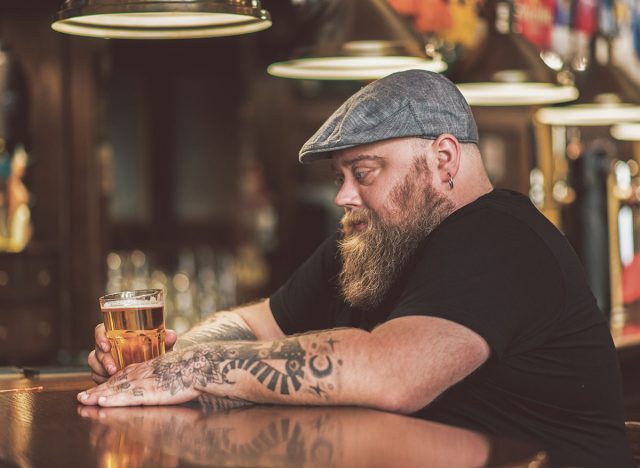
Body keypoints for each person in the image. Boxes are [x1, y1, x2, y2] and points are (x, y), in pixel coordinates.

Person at [79, 70, 633, 466]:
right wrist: (164, 363)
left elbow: (394, 373)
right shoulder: (374, 239)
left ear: (444, 160)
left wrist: (195, 369)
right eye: (340, 176)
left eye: (363, 171)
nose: (344, 195)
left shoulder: (503, 238)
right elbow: (259, 323)